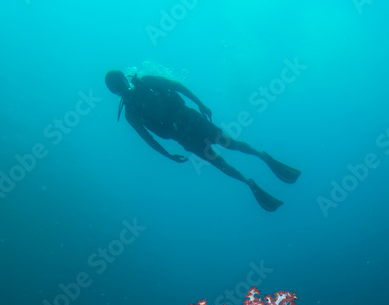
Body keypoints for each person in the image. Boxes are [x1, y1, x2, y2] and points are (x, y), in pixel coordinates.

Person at [104, 70, 300, 211]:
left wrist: (201, 104)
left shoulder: (146, 81)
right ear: (114, 91)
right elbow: (148, 139)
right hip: (185, 137)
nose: (121, 88)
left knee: (230, 144)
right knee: (219, 163)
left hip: (194, 121)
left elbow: (176, 86)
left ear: (124, 78)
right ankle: (249, 183)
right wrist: (168, 155)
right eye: (116, 87)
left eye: (120, 82)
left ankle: (263, 157)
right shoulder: (130, 113)